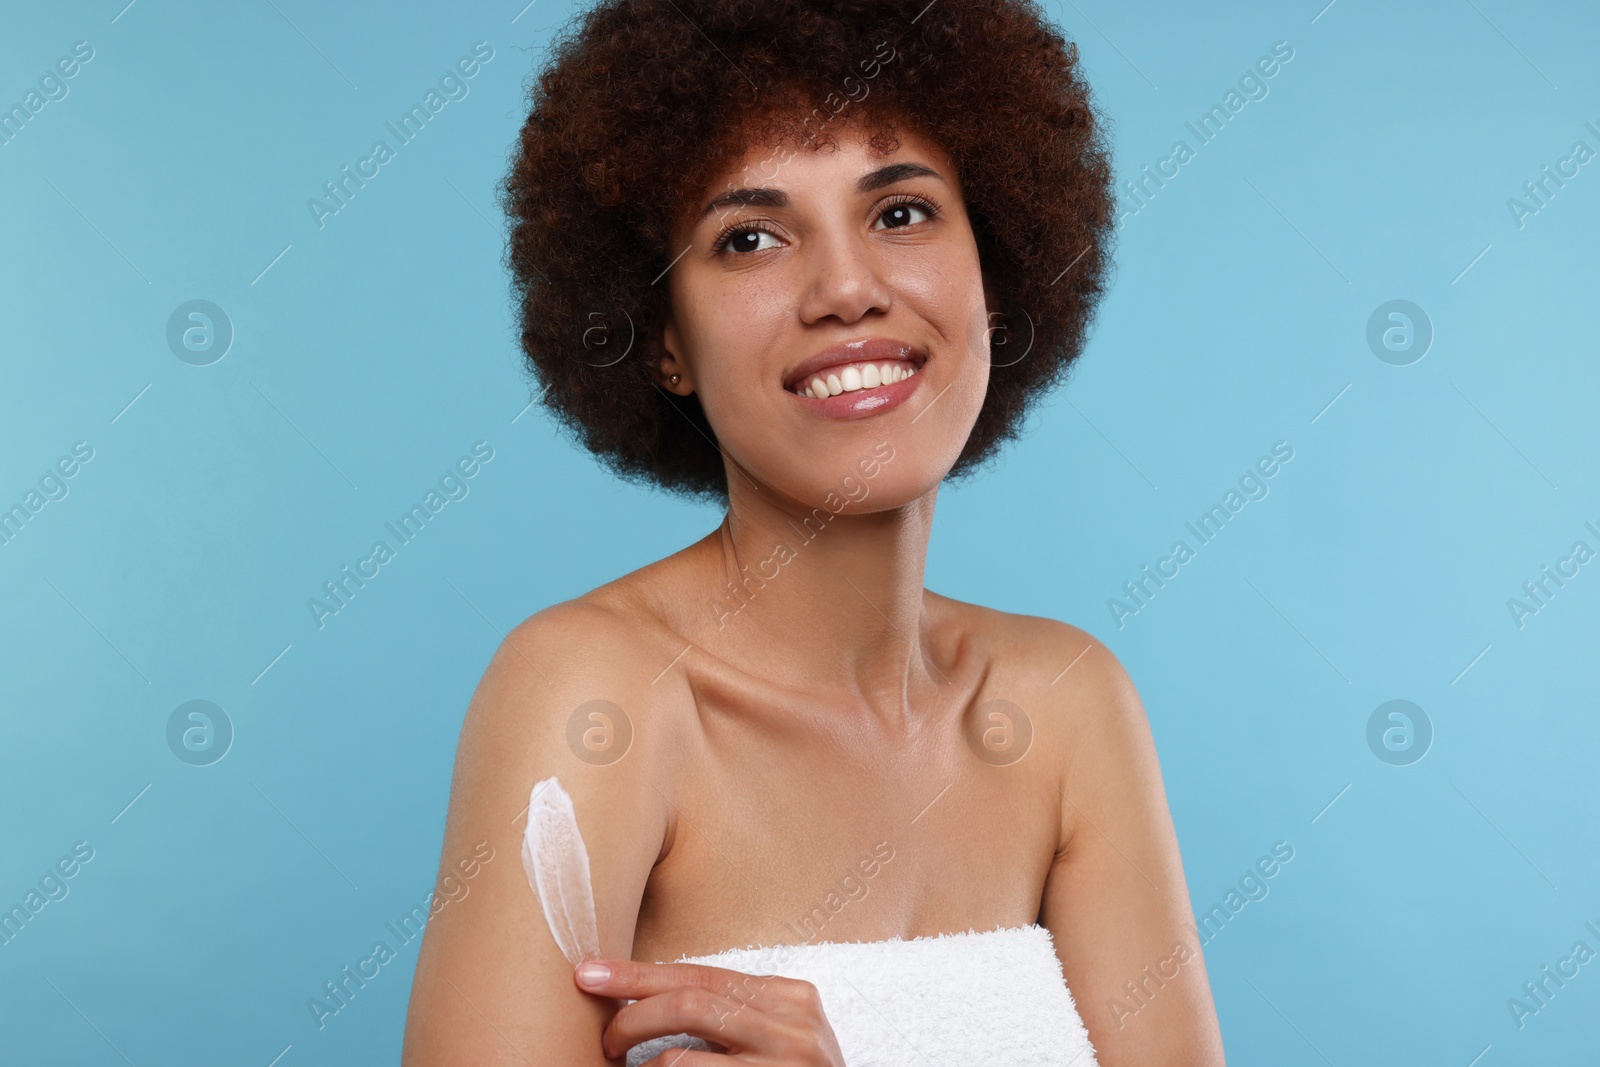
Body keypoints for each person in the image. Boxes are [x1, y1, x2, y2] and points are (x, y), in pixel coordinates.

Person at [403, 0, 1225, 1062]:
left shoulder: (1067, 708)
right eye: (748, 237)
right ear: (664, 346)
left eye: (900, 214)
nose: (846, 289)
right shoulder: (599, 699)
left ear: (994, 272)